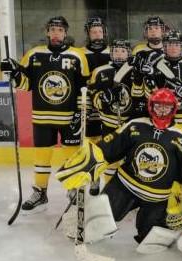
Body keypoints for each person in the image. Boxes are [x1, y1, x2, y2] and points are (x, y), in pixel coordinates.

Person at [56, 88, 182, 245]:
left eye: (166, 107)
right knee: (99, 220)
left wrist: (178, 202)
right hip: (125, 186)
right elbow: (108, 147)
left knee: (152, 240)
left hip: (157, 197)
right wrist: (88, 163)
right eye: (158, 106)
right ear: (151, 106)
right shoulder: (135, 126)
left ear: (173, 109)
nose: (162, 111)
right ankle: (85, 224)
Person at [0, 16, 90, 213]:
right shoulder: (34, 54)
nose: (56, 33)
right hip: (42, 117)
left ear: (65, 33)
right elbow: (25, 84)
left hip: (69, 117)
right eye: (53, 29)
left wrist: (80, 113)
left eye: (60, 29)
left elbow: (84, 88)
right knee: (41, 157)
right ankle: (40, 192)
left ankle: (73, 188)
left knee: (72, 156)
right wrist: (13, 73)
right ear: (47, 32)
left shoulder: (77, 56)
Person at [142, 29, 182, 142]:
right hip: (162, 120)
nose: (173, 48)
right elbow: (148, 96)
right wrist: (150, 80)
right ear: (164, 46)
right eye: (170, 44)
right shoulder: (156, 64)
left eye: (176, 44)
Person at [88, 39, 136, 183]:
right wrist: (105, 99)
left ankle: (129, 190)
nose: (119, 54)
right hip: (109, 125)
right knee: (110, 157)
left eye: (123, 51)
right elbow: (93, 97)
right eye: (116, 51)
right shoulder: (101, 71)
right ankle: (109, 188)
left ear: (128, 53)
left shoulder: (135, 71)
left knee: (130, 157)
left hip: (130, 125)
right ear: (111, 53)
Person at [82, 16, 111, 195]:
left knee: (108, 143)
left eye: (100, 31)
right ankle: (94, 178)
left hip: (110, 106)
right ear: (88, 34)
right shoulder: (80, 53)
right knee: (92, 144)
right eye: (93, 32)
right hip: (89, 105)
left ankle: (111, 181)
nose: (97, 34)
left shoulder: (114, 52)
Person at [128, 16, 167, 116]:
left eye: (156, 28)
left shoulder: (169, 49)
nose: (153, 31)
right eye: (150, 28)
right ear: (146, 32)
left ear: (163, 31)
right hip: (141, 99)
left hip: (164, 100)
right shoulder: (138, 50)